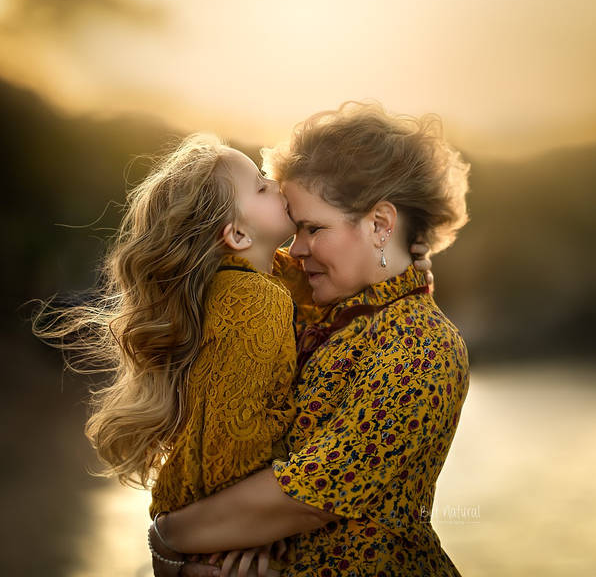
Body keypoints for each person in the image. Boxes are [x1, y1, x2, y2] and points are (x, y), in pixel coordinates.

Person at [148, 102, 471, 577]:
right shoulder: (302, 307)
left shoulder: (424, 345)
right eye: (295, 227)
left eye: (313, 229)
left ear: (380, 224)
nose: (295, 249)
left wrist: (167, 539)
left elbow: (311, 494)